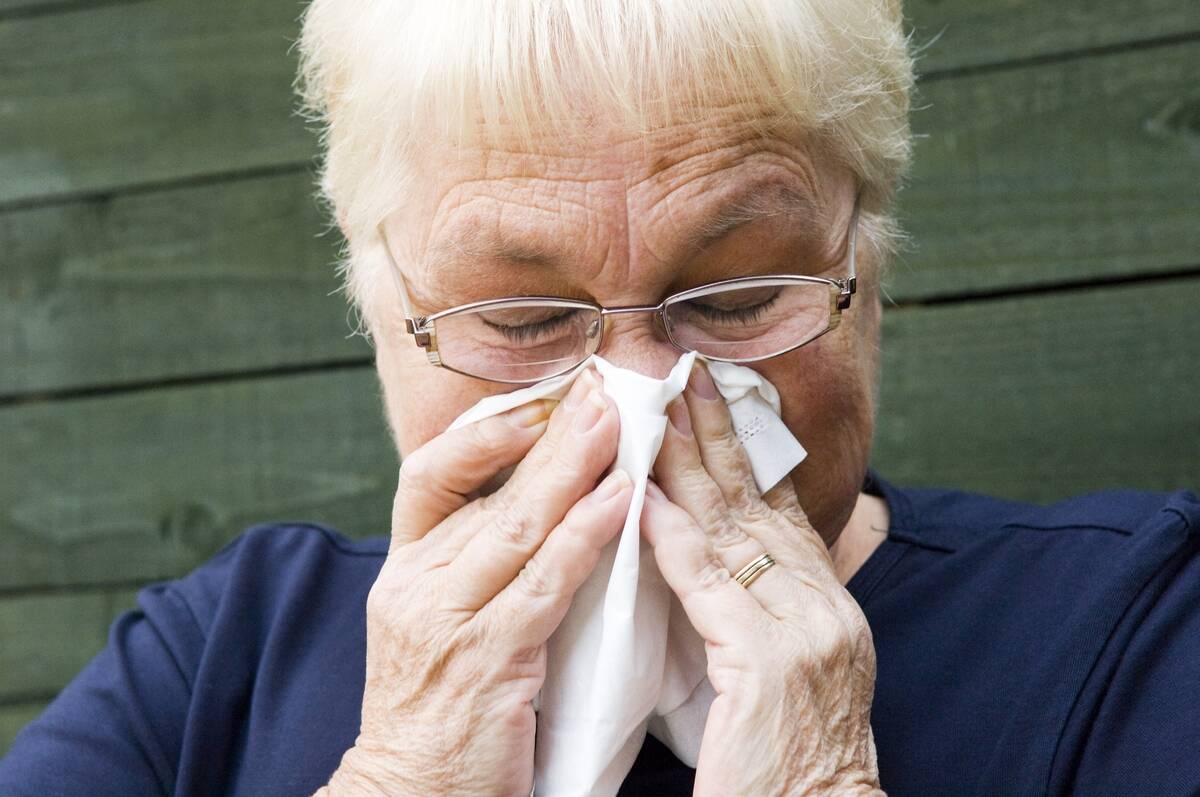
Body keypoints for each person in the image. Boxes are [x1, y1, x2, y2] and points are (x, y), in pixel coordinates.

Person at [2, 0, 1198, 795]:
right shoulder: (219, 660)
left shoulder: (1130, 635)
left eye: (734, 299)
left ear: (864, 276)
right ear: (384, 321)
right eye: (525, 320)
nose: (636, 393)